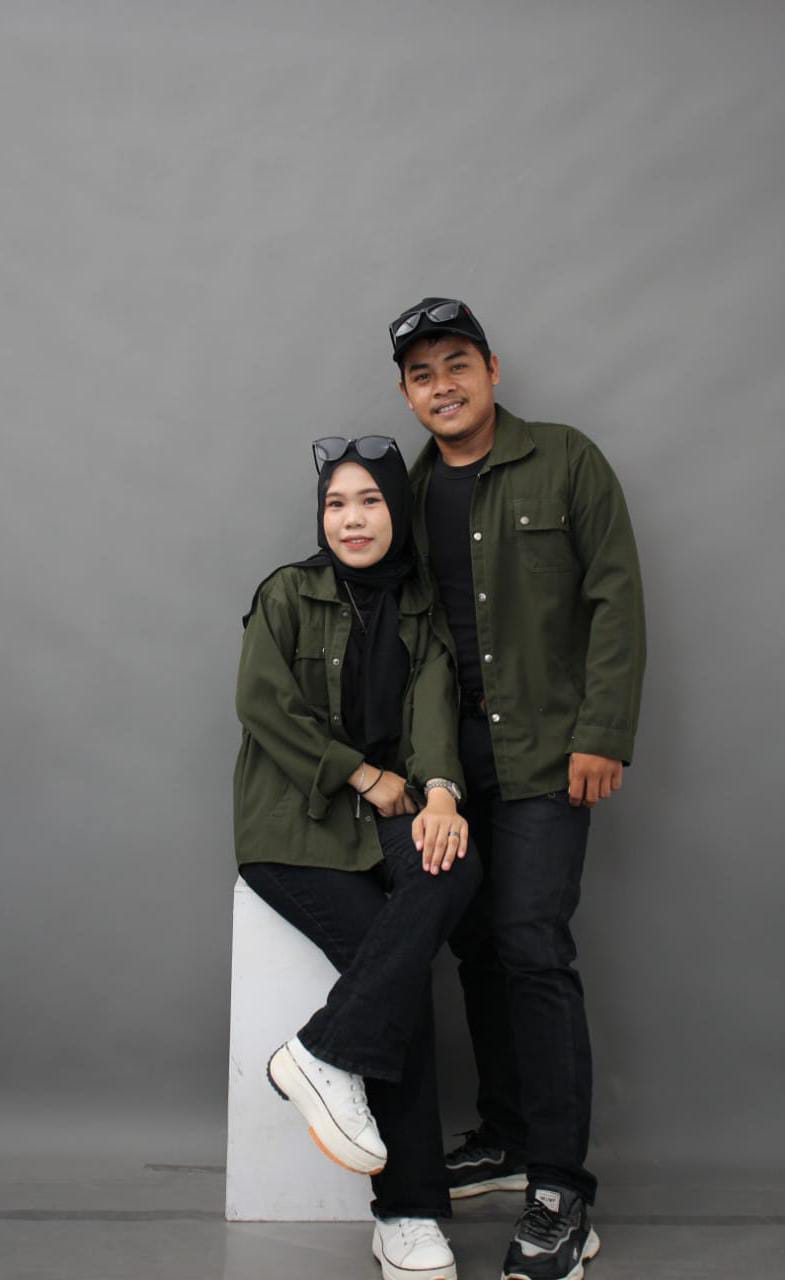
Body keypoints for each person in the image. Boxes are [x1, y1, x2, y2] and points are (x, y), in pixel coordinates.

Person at [387, 297, 646, 1280]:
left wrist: (601, 732)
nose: (442, 386)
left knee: (533, 945)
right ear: (406, 394)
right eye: (421, 374)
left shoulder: (566, 459)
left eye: (456, 364)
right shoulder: (412, 493)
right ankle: (502, 1137)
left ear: (491, 370)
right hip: (453, 770)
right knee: (478, 948)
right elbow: (416, 643)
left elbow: (613, 595)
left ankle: (560, 1187)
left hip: (547, 755)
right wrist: (423, 773)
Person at [233, 434, 483, 1280]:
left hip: (392, 813)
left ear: (395, 511)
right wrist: (361, 773)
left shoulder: (419, 608)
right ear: (321, 516)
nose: (352, 519)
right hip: (295, 824)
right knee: (397, 975)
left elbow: (434, 709)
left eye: (370, 501)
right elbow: (262, 704)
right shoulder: (287, 592)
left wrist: (440, 793)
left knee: (454, 864)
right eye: (336, 503)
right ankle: (406, 1215)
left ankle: (322, 1051)